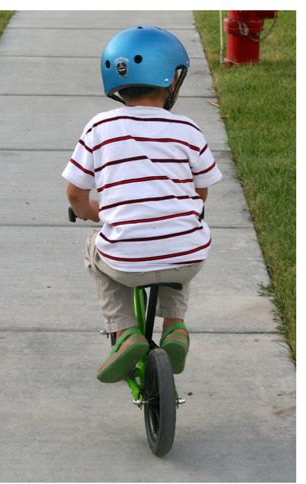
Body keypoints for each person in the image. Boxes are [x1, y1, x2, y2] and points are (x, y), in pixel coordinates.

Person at [61, 26, 223, 383]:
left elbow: (75, 194)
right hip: (188, 258)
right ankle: (176, 327)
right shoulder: (189, 129)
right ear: (173, 79)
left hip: (127, 260)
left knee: (97, 251)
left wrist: (94, 212)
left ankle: (124, 333)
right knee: (183, 234)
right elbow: (202, 192)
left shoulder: (99, 127)